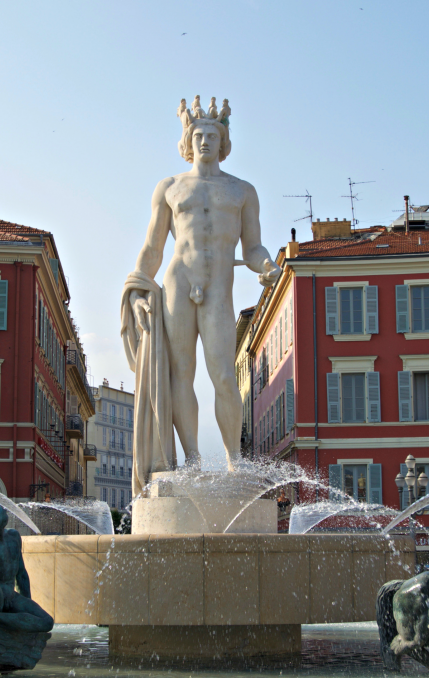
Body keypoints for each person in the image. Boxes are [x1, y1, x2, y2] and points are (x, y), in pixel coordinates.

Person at [124, 99, 279, 486]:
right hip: (179, 280)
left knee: (224, 375)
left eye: (213, 135)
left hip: (217, 289)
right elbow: (153, 247)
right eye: (198, 135)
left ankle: (234, 462)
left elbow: (253, 248)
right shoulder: (171, 187)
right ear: (188, 141)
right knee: (181, 374)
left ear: (224, 141)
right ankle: (191, 463)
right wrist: (139, 288)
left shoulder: (242, 191)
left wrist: (268, 267)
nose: (205, 141)